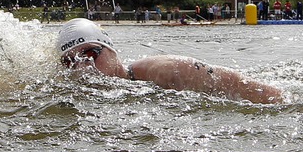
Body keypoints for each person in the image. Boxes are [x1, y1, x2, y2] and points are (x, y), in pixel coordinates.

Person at [56, 18, 282, 104]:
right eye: (71, 61)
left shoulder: (166, 71)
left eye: (90, 54)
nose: (83, 67)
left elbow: (256, 90)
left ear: (111, 50)